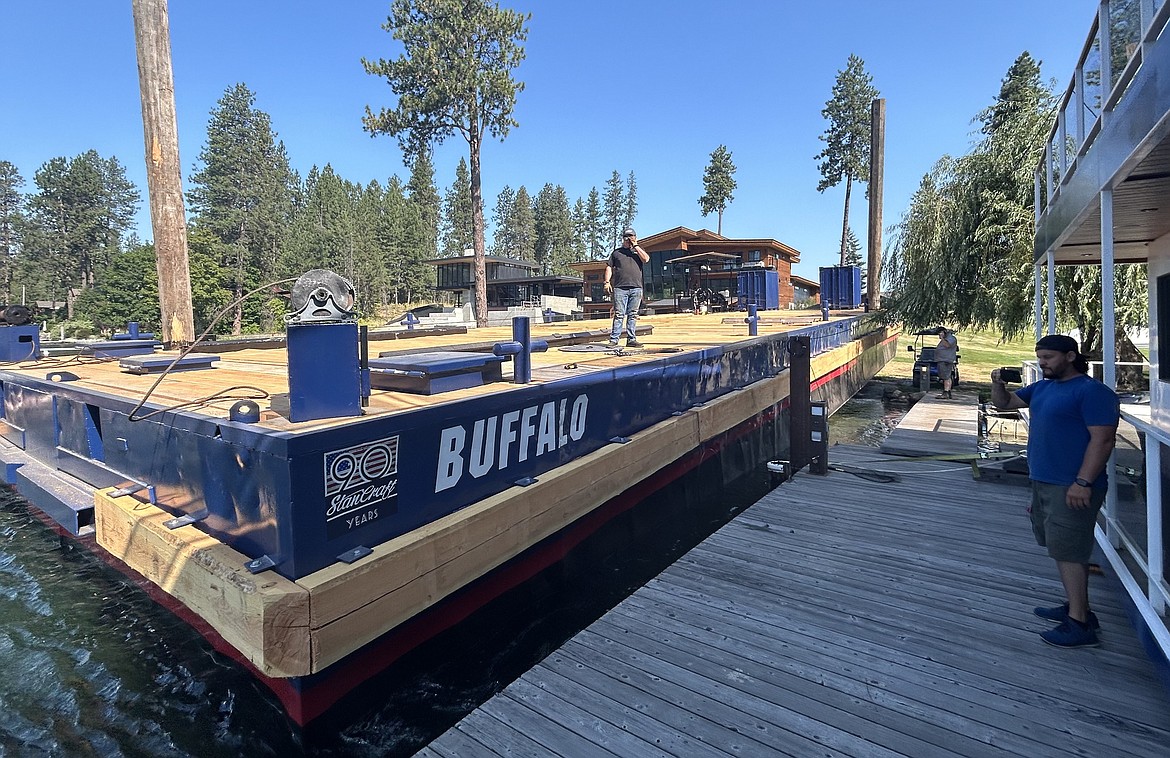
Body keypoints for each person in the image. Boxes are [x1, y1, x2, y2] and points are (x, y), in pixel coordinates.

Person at [990, 334, 1119, 648]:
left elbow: (1103, 441)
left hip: (1072, 485)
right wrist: (997, 383)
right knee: (1061, 549)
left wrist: (1083, 482)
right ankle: (1078, 607)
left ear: (1070, 356)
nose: (1042, 363)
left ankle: (1080, 624)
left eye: (1048, 357)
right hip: (1044, 482)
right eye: (1040, 357)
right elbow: (1005, 404)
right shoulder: (1043, 387)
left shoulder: (1092, 392)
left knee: (1070, 552)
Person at [605, 228, 650, 348]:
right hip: (620, 287)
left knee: (633, 314)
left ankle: (631, 339)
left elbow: (646, 259)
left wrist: (636, 246)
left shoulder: (639, 252)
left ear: (635, 237)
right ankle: (614, 339)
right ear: (623, 238)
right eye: (627, 236)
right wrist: (606, 281)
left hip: (636, 287)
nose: (629, 238)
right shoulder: (616, 253)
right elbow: (609, 267)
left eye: (631, 236)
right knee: (619, 314)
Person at [934, 327, 958, 399]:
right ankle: (947, 392)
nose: (939, 335)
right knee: (946, 376)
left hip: (946, 360)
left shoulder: (951, 338)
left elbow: (947, 345)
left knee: (946, 377)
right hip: (943, 360)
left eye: (940, 333)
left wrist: (942, 338)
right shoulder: (946, 339)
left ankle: (946, 393)